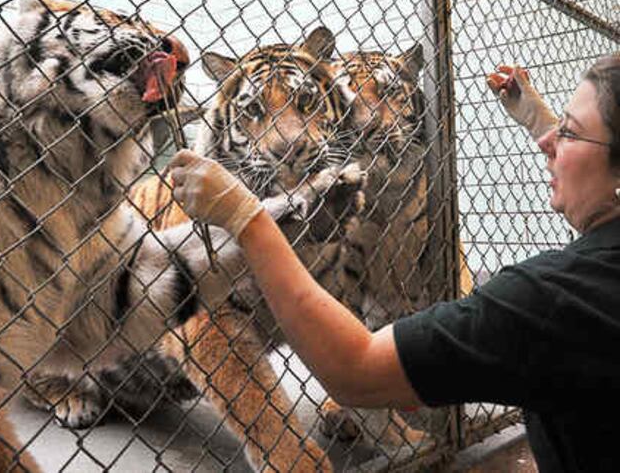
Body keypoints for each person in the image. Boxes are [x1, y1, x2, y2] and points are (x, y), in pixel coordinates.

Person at [168, 54, 620, 472]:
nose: (547, 141)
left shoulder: (548, 301)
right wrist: (541, 119)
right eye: (556, 126)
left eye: (570, 131)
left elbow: (356, 371)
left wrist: (247, 218)